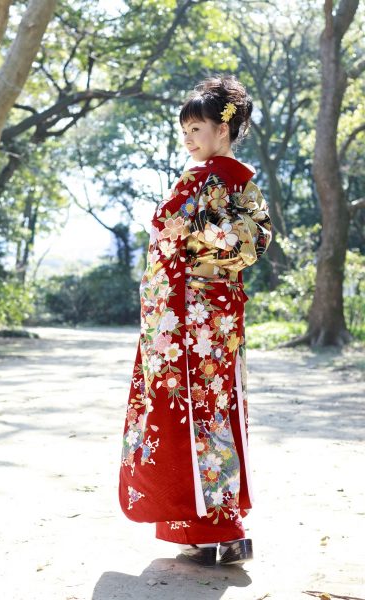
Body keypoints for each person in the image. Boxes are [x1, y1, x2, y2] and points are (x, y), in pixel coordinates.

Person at [118, 75, 272, 567]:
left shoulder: (225, 179)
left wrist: (193, 230)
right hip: (193, 315)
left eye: (197, 127)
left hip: (200, 315)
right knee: (195, 409)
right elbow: (178, 238)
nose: (188, 136)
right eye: (184, 128)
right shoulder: (214, 179)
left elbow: (250, 240)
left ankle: (219, 525)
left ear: (223, 129)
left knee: (199, 409)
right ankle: (198, 522)